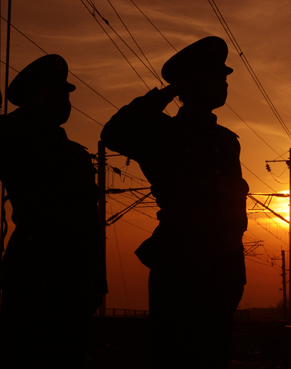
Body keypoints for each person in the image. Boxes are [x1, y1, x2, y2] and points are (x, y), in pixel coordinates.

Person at [101, 36, 249, 368]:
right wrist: (168, 91)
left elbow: (232, 210)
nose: (223, 84)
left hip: (222, 271)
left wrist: (234, 273)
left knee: (213, 357)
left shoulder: (226, 141)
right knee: (175, 356)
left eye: (223, 77)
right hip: (180, 266)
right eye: (215, 77)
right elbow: (113, 132)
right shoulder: (162, 133)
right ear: (192, 83)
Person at [0, 54, 107, 368]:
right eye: (59, 94)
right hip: (36, 274)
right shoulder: (17, 140)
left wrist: (95, 283)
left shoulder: (74, 153)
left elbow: (90, 224)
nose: (66, 101)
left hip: (75, 279)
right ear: (37, 98)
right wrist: (21, 115)